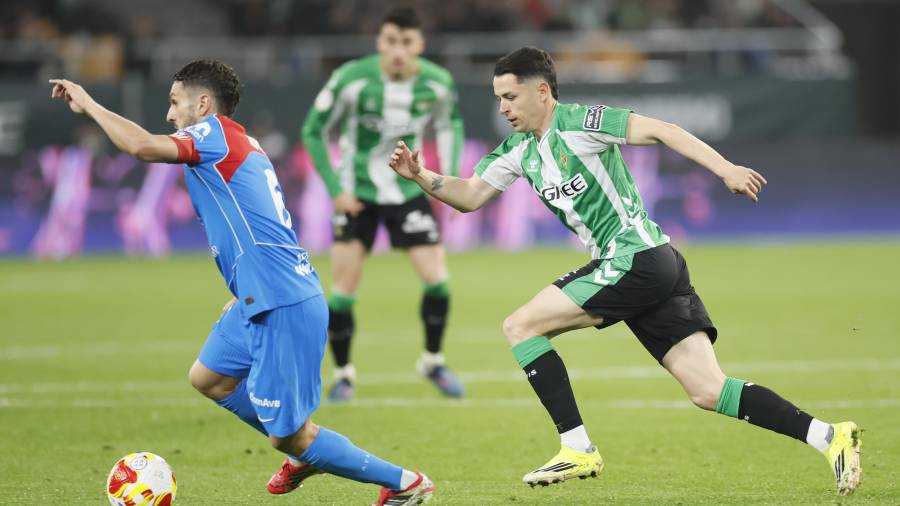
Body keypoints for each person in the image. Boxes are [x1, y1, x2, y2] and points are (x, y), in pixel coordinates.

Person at [388, 47, 861, 496]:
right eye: (498, 99)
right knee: (707, 390)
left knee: (520, 325)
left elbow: (662, 129)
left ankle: (577, 447)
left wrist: (725, 169)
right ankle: (828, 436)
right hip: (653, 265)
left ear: (542, 92)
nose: (504, 108)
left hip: (634, 257)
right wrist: (420, 175)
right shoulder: (517, 151)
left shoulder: (580, 122)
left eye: (510, 96)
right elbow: (470, 195)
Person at [50, 60, 434, 505]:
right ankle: (300, 447)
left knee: (292, 438)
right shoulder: (235, 140)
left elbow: (141, 147)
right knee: (208, 378)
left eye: (175, 103)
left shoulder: (213, 134)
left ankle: (405, 483)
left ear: (203, 103)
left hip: (281, 301)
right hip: (259, 296)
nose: (170, 114)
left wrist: (90, 103)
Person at [301, 7, 465, 401]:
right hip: (357, 195)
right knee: (342, 291)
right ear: (380, 42)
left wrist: (448, 182)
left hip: (408, 193)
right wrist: (335, 189)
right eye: (391, 41)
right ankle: (343, 374)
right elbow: (313, 131)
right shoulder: (351, 79)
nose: (398, 51)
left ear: (419, 45)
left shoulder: (438, 84)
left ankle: (432, 361)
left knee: (438, 283)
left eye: (406, 43)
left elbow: (449, 126)